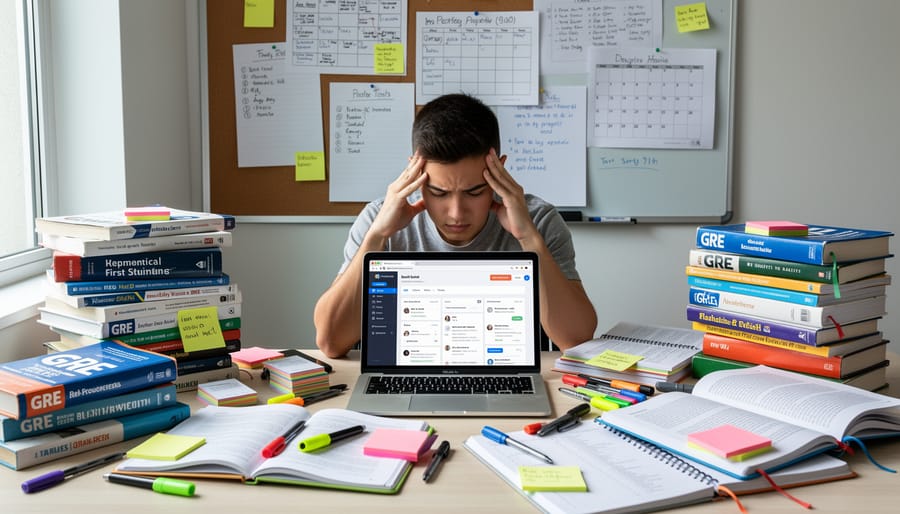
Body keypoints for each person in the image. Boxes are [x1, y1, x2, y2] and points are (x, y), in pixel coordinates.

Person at [314, 93, 597, 358]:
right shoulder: (379, 219)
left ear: (499, 169)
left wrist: (530, 241)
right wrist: (376, 237)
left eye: (474, 192)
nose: (456, 213)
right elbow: (330, 342)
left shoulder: (539, 221)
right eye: (438, 193)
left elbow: (576, 340)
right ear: (415, 171)